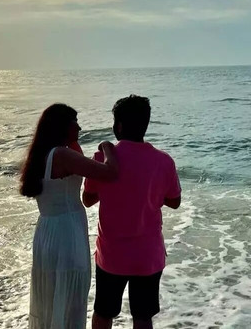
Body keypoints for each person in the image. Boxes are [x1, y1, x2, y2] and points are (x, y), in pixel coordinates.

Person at [83, 95, 182, 329]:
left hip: (112, 255)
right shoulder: (164, 161)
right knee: (143, 317)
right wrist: (150, 194)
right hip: (147, 256)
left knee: (103, 313)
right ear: (145, 124)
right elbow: (175, 201)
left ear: (118, 126)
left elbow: (87, 199)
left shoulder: (102, 159)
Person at [20, 103, 119, 329]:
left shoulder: (44, 154)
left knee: (52, 298)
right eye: (76, 123)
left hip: (47, 231)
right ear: (63, 126)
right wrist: (108, 148)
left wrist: (72, 140)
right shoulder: (62, 155)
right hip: (67, 232)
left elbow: (78, 161)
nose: (80, 127)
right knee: (70, 299)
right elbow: (110, 173)